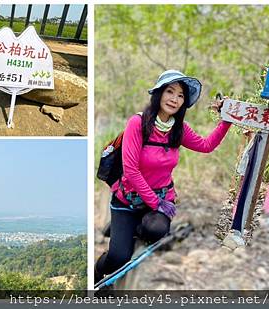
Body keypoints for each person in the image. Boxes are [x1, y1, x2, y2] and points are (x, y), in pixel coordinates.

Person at [95, 70, 231, 284]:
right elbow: (130, 170)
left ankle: (131, 229)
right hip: (128, 200)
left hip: (159, 199)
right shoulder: (137, 124)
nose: (174, 99)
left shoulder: (179, 129)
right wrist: (156, 203)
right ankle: (96, 272)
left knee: (156, 230)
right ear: (159, 93)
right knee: (118, 257)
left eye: (180, 95)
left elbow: (206, 146)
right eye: (170, 91)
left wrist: (226, 120)